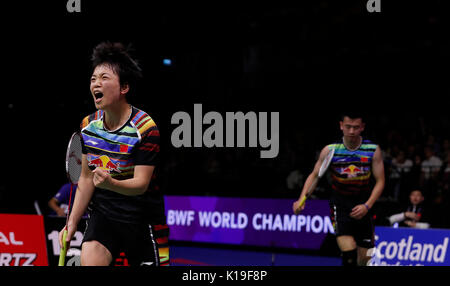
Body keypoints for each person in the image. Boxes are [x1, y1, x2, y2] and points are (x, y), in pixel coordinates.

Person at [59, 42, 167, 266]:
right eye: (93, 79)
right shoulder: (88, 126)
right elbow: (86, 179)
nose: (96, 83)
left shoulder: (146, 128)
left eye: (104, 78)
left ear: (123, 87)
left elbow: (141, 183)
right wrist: (71, 224)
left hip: (142, 219)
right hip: (104, 216)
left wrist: (110, 183)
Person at [293, 112, 385, 266]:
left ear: (362, 127)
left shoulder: (373, 150)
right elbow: (315, 175)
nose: (351, 131)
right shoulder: (330, 150)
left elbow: (381, 181)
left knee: (365, 260)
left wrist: (367, 205)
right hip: (340, 204)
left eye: (356, 127)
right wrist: (301, 199)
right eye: (348, 127)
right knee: (349, 254)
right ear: (341, 125)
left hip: (365, 204)